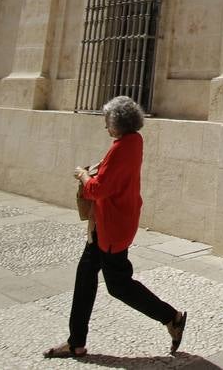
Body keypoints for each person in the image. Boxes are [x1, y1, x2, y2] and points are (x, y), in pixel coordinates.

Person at [45, 96, 187, 358]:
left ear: (117, 122)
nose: (105, 127)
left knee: (119, 285)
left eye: (107, 121)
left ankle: (172, 317)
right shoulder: (133, 142)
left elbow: (98, 190)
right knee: (86, 276)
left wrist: (83, 175)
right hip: (110, 224)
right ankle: (76, 341)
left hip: (111, 228)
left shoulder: (121, 148)